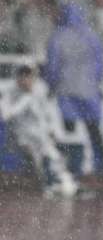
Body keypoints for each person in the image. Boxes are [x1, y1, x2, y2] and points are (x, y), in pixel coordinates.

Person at [45, 2, 103, 177]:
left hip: (66, 89)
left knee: (69, 131)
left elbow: (53, 66)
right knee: (94, 130)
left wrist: (51, 86)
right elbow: (100, 64)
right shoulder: (91, 36)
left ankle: (71, 168)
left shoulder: (57, 37)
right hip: (88, 89)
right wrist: (96, 84)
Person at [0, 65, 78, 197]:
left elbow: (49, 111)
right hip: (20, 136)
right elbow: (7, 115)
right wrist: (25, 100)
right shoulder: (10, 92)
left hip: (41, 134)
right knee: (37, 160)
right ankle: (47, 185)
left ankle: (63, 184)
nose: (26, 81)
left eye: (29, 78)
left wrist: (53, 130)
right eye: (23, 78)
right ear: (18, 79)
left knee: (53, 157)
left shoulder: (41, 90)